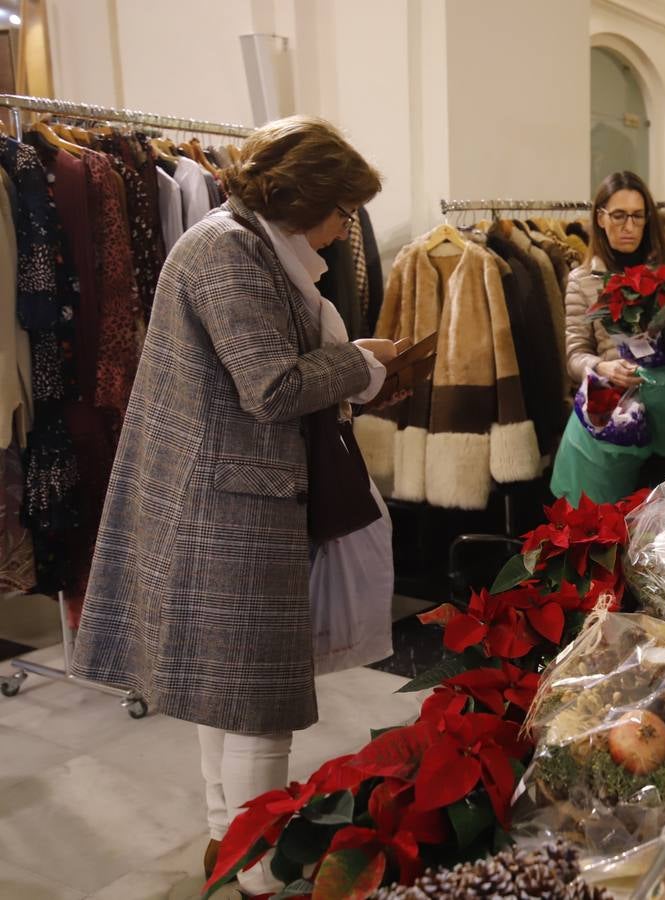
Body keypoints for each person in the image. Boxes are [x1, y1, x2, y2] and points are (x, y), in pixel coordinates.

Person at [69, 116, 396, 895]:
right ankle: (255, 869)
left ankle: (230, 847)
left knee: (234, 694)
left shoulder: (246, 242)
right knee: (255, 702)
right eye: (345, 208)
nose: (348, 226)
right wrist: (358, 363)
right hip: (228, 504)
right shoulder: (230, 248)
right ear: (311, 196)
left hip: (231, 492)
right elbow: (273, 387)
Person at [554, 171, 665, 501]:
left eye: (638, 216)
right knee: (613, 521)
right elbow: (574, 355)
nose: (629, 227)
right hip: (618, 419)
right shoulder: (582, 280)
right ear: (601, 218)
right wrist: (602, 367)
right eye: (619, 216)